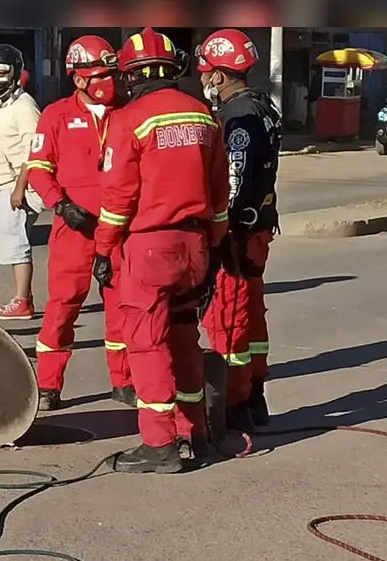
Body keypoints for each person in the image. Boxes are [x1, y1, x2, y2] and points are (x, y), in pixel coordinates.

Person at [93, 28, 230, 473]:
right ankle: (198, 434)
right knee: (186, 338)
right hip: (195, 245)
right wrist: (212, 245)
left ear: (130, 76)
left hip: (150, 247)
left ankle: (159, 445)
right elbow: (219, 194)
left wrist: (102, 249)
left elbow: (118, 199)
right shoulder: (204, 116)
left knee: (146, 345)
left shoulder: (128, 120)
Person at [25, 35, 133, 411]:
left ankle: (124, 381)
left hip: (119, 230)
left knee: (122, 307)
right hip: (73, 229)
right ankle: (48, 385)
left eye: (112, 74)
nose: (110, 82)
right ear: (79, 79)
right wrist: (61, 204)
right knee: (62, 307)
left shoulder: (128, 111)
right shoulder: (55, 115)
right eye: (101, 75)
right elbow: (38, 168)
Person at [195, 28, 282, 433]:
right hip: (259, 229)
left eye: (206, 73)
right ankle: (255, 394)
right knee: (252, 317)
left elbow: (236, 176)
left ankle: (235, 406)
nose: (203, 81)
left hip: (238, 232)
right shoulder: (262, 106)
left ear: (219, 75)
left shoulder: (238, 116)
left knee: (228, 321)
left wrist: (221, 228)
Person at [0, 44, 41, 321]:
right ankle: (24, 297)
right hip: (2, 184)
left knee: (16, 244)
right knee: (8, 243)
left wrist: (19, 187)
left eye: (0, 73)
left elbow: (34, 149)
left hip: (18, 186)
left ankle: (22, 302)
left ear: (15, 73)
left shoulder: (24, 106)